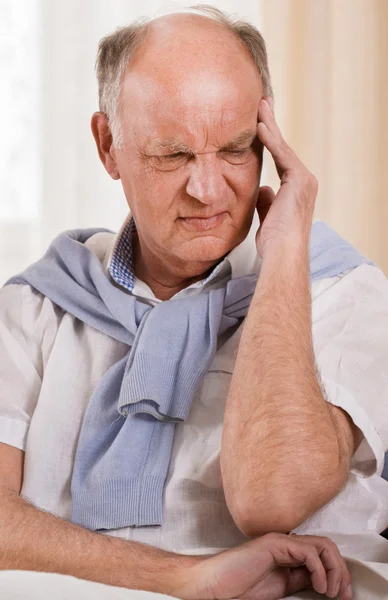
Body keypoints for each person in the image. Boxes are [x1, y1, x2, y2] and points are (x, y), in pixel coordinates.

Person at [0, 6, 387, 600]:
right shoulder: (38, 305)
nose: (207, 190)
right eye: (173, 155)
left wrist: (284, 252)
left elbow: (272, 499)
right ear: (108, 146)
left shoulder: (340, 293)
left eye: (236, 150)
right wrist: (183, 578)